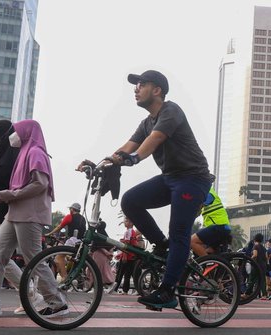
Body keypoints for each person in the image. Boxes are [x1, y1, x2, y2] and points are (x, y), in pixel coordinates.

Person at [98, 70, 212, 309]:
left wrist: (134, 159)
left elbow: (156, 139)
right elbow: (128, 146)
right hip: (171, 178)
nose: (135, 89)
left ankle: (168, 291)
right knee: (130, 201)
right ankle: (162, 244)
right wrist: (102, 163)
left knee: (179, 231)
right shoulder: (146, 122)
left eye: (141, 84)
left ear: (157, 90)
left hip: (193, 179)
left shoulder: (171, 110)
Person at [0, 120, 66, 318]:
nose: (12, 135)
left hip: (29, 214)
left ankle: (57, 302)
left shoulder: (36, 152)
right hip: (14, 213)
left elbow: (40, 184)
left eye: (16, 132)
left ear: (26, 133)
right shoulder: (24, 152)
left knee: (33, 258)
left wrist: (8, 195)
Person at [190, 186, 231, 257]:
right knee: (202, 250)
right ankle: (208, 263)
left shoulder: (207, 193)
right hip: (220, 227)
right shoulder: (206, 191)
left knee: (192, 241)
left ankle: (209, 263)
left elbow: (197, 208)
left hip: (218, 226)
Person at [112, 217, 138, 295]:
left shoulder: (128, 232)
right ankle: (125, 291)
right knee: (127, 274)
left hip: (127, 256)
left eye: (126, 221)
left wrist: (124, 256)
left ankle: (115, 289)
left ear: (131, 223)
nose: (124, 222)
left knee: (120, 273)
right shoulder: (132, 232)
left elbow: (127, 244)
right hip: (131, 256)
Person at [90, 219, 115, 291]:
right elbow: (110, 246)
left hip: (98, 255)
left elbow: (97, 246)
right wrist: (109, 254)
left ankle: (95, 287)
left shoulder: (98, 235)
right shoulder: (106, 235)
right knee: (104, 271)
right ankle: (107, 284)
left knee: (95, 271)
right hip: (104, 257)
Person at [251, 233, 268, 299]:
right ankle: (264, 295)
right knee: (262, 280)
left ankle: (247, 293)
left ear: (255, 239)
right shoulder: (263, 248)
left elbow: (255, 255)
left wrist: (250, 258)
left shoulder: (255, 246)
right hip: (263, 266)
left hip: (256, 265)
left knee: (251, 280)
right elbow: (266, 257)